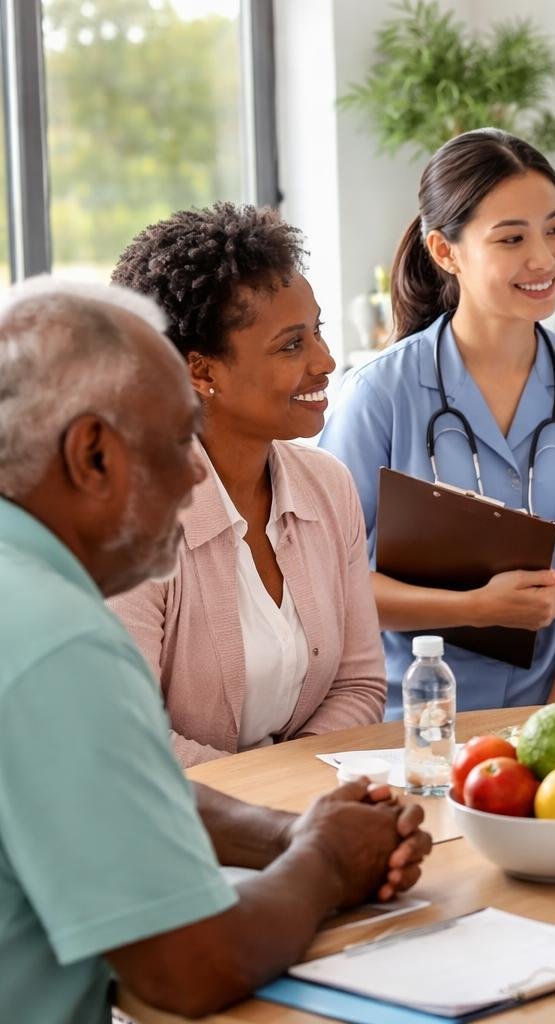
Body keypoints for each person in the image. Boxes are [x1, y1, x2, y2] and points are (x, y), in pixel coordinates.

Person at [0, 278, 431, 1021]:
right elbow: (191, 967)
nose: (198, 472)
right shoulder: (56, 639)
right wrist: (323, 864)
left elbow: (121, 792)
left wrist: (294, 832)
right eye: (175, 440)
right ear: (92, 455)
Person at [321, 129, 555, 714]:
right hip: (409, 721)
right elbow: (330, 585)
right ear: (445, 251)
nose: (544, 259)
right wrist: (476, 608)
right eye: (511, 238)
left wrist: (552, 720)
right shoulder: (379, 393)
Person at [107, 204, 386, 766]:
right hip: (173, 829)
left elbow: (360, 686)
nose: (326, 361)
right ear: (200, 371)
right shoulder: (128, 522)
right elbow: (124, 739)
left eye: (319, 331)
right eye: (291, 345)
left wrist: (300, 792)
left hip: (295, 818)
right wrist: (271, 805)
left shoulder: (327, 487)